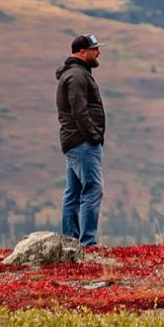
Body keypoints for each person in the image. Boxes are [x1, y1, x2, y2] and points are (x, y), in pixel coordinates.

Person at [55, 33, 106, 249]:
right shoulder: (77, 76)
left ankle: (70, 243)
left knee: (73, 192)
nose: (98, 52)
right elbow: (79, 110)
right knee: (93, 188)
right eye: (95, 49)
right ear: (82, 52)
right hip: (82, 143)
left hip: (75, 141)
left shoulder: (76, 74)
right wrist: (93, 136)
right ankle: (87, 243)